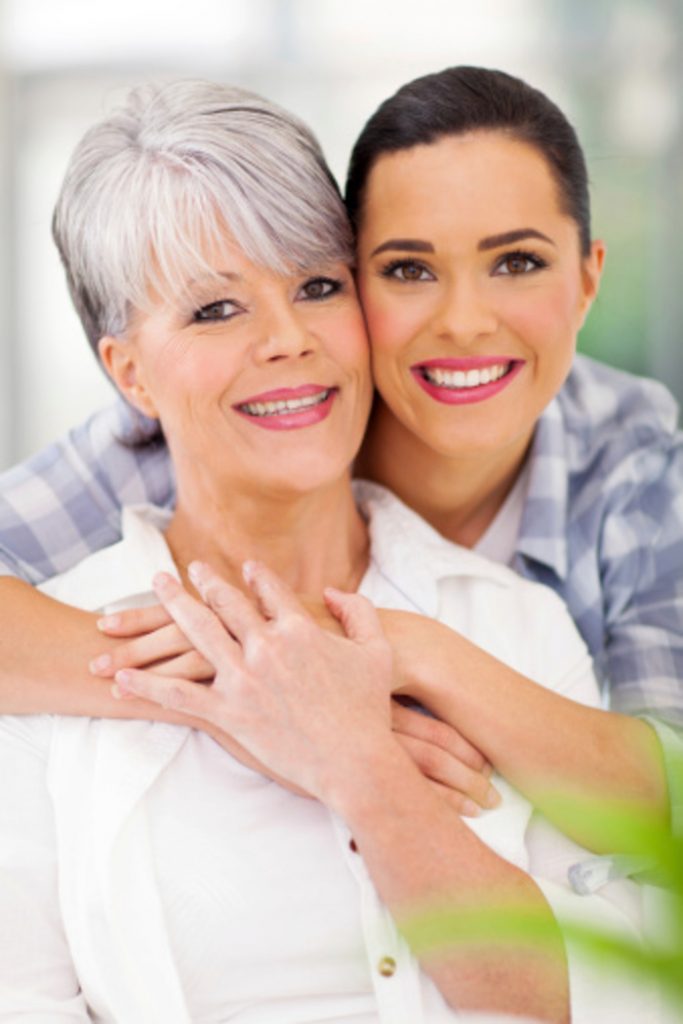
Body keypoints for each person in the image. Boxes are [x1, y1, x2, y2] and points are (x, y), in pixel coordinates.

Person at [0, 78, 656, 1024]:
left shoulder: (510, 618)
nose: (287, 340)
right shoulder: (40, 684)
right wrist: (242, 672)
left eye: (316, 287)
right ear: (129, 373)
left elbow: (609, 993)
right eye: (214, 310)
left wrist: (357, 762)